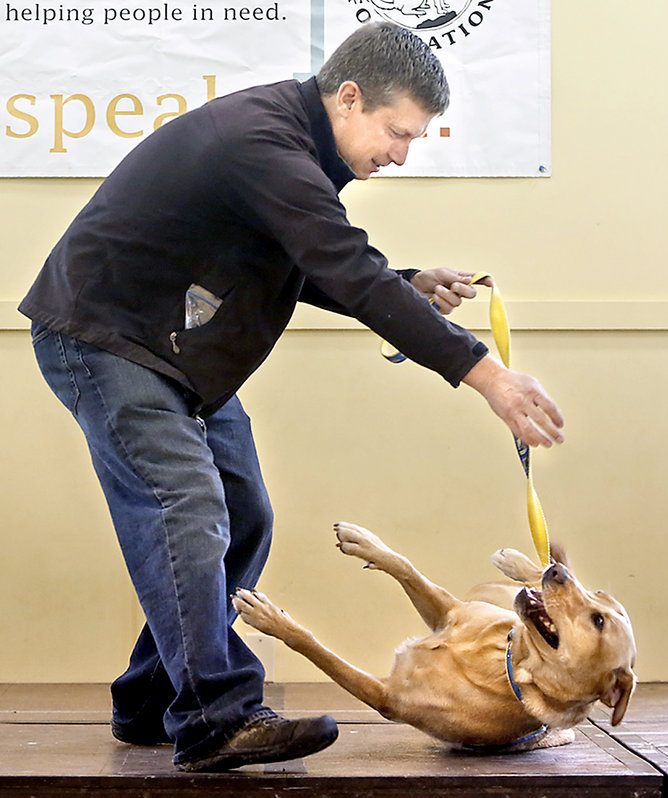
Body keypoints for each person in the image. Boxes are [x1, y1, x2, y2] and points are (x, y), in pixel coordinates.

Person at [19, 21, 565, 772]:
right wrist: (487, 374)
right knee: (186, 505)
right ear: (348, 97)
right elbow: (342, 262)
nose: (402, 154)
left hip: (172, 354)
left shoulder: (294, 149)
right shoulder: (262, 141)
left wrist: (403, 286)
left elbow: (310, 263)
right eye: (397, 132)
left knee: (244, 516)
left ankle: (154, 699)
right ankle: (217, 715)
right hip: (105, 337)